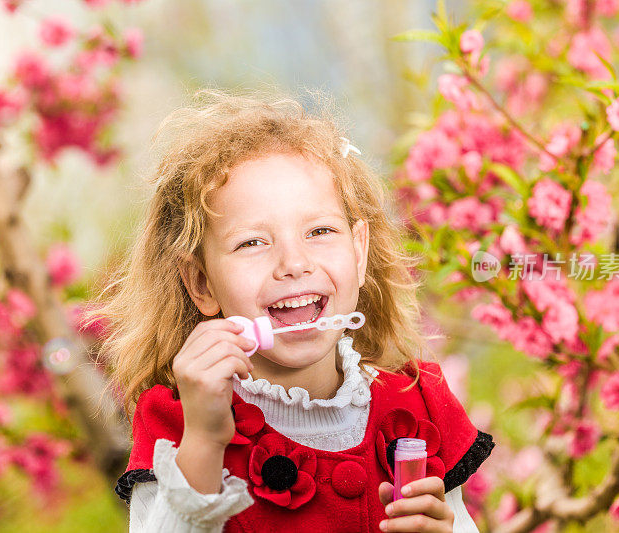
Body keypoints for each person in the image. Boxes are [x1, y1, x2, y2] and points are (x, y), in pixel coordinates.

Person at [93, 88, 494, 532]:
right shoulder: (180, 423)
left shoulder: (416, 407)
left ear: (358, 254)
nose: (294, 264)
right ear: (201, 283)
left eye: (319, 230)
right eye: (252, 243)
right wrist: (205, 440)